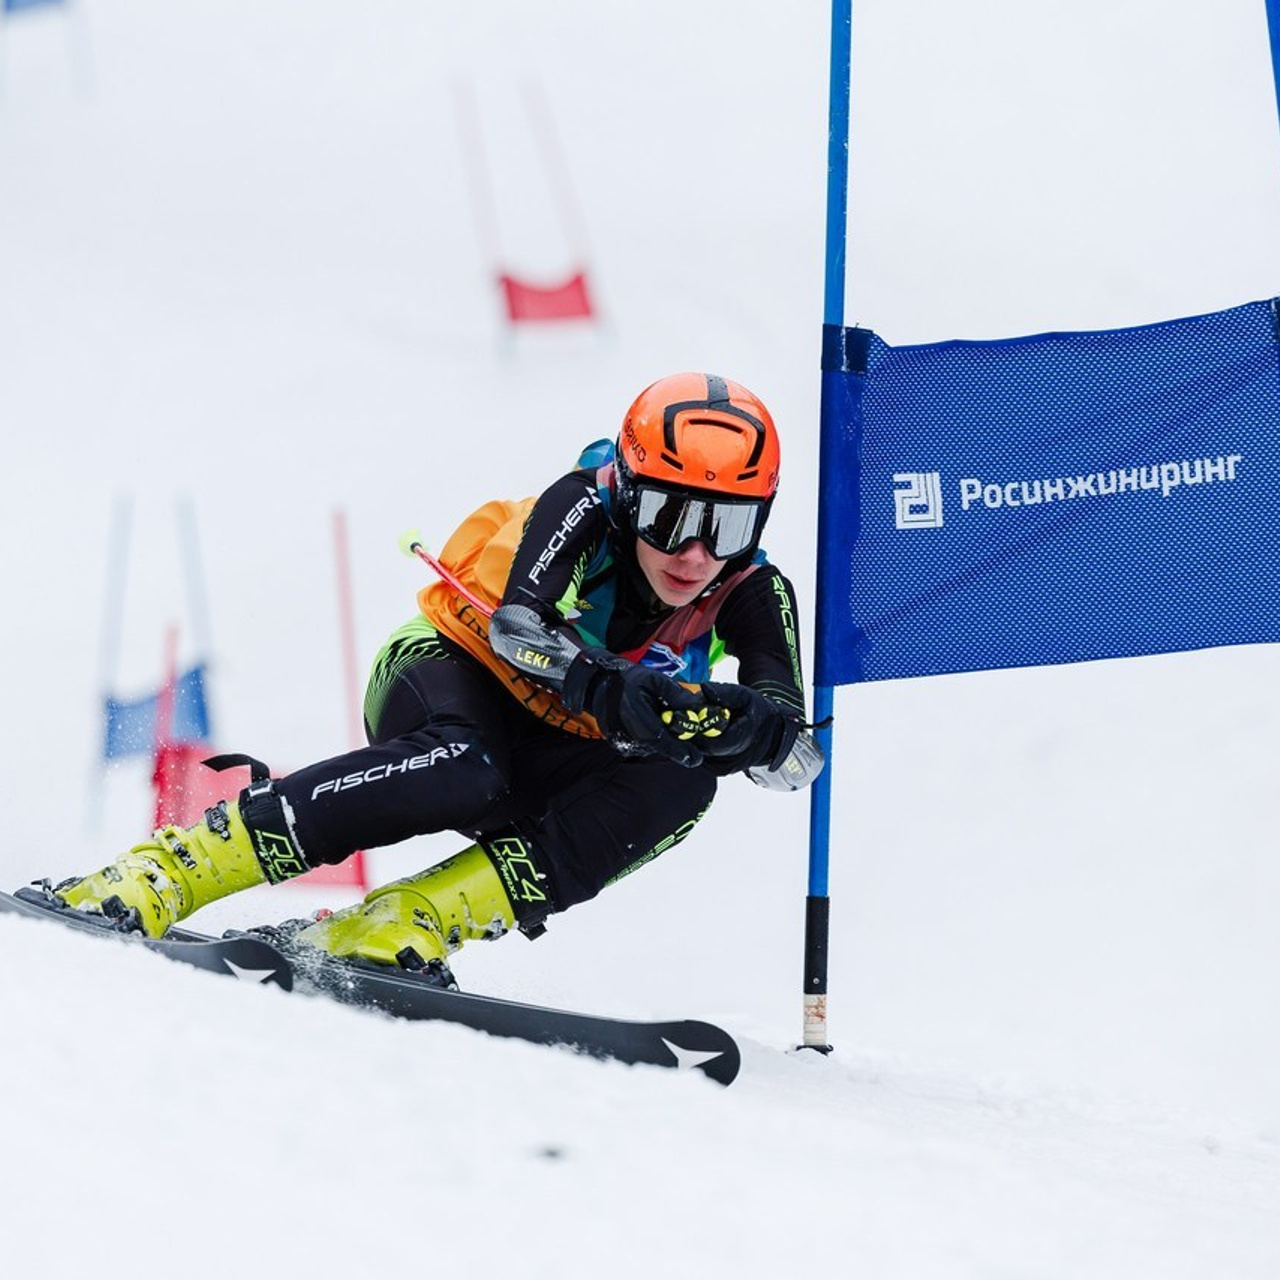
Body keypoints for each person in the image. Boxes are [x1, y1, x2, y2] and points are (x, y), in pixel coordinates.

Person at [49, 372, 825, 985]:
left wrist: (745, 727)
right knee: (466, 766)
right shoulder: (582, 508)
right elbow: (519, 627)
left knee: (682, 787)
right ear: (627, 490)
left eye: (727, 523)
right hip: (449, 670)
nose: (693, 554)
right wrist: (610, 688)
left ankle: (405, 918)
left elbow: (794, 757)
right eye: (668, 515)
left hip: (551, 749)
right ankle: (170, 868)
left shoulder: (752, 588)